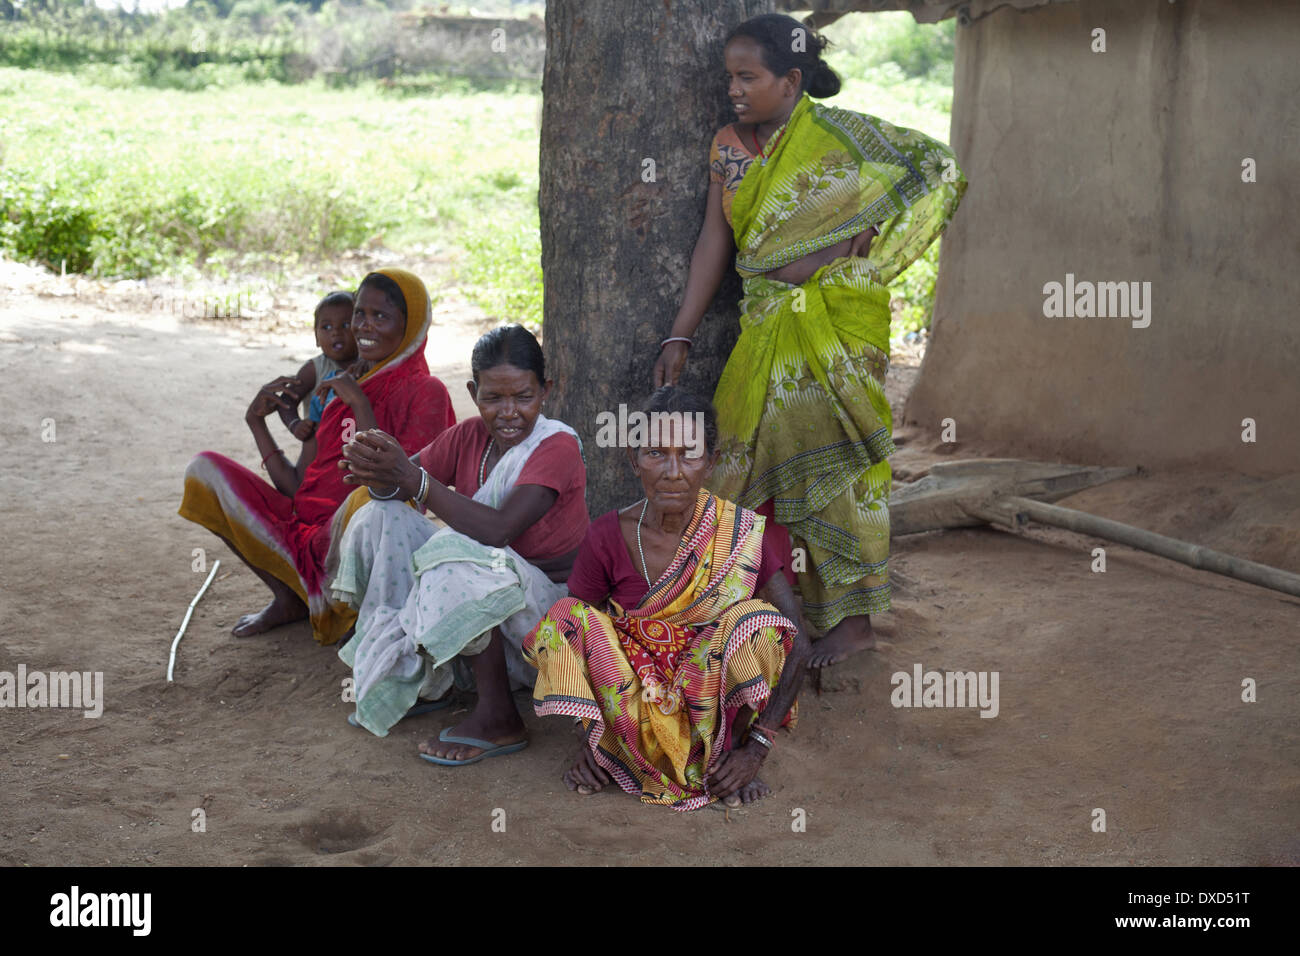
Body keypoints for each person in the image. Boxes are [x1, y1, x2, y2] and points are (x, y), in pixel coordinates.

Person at [653, 13, 967, 669]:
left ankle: (852, 623)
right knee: (745, 456)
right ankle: (768, 610)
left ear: (790, 79)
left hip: (837, 324)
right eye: (729, 77)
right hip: (765, 323)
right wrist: (681, 331)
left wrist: (848, 250)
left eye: (748, 76)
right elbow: (715, 240)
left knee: (837, 466)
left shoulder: (838, 138)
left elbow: (934, 167)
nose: (734, 89)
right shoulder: (729, 149)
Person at [523, 386, 811, 811]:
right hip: (632, 703)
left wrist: (757, 749)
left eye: (689, 454)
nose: (673, 471)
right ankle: (611, 750)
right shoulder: (607, 535)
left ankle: (728, 756)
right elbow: (573, 641)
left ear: (711, 463)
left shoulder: (740, 535)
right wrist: (592, 738)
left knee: (759, 625)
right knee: (566, 618)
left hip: (715, 705)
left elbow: (798, 643)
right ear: (633, 459)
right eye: (656, 453)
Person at [330, 324, 589, 765]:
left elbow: (497, 531)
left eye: (523, 397)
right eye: (493, 398)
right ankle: (423, 675)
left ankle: (500, 717)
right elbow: (400, 488)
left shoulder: (556, 446)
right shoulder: (470, 436)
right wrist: (377, 468)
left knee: (459, 554)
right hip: (489, 601)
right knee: (381, 517)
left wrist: (413, 480)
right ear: (474, 393)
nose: (509, 412)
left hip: (546, 627)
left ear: (546, 391)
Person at [179, 268, 455, 644]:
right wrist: (256, 423)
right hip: (305, 531)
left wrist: (358, 402)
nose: (363, 327)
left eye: (381, 316)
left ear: (410, 327)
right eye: (360, 313)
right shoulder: (339, 385)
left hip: (357, 541)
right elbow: (298, 487)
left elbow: (402, 493)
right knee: (204, 469)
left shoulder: (426, 390)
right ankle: (290, 597)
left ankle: (360, 612)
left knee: (367, 500)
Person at [276, 291, 357, 443]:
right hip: (320, 447)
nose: (335, 332)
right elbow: (287, 400)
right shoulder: (314, 369)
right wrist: (295, 425)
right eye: (326, 327)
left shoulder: (367, 365)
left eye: (345, 325)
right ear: (316, 337)